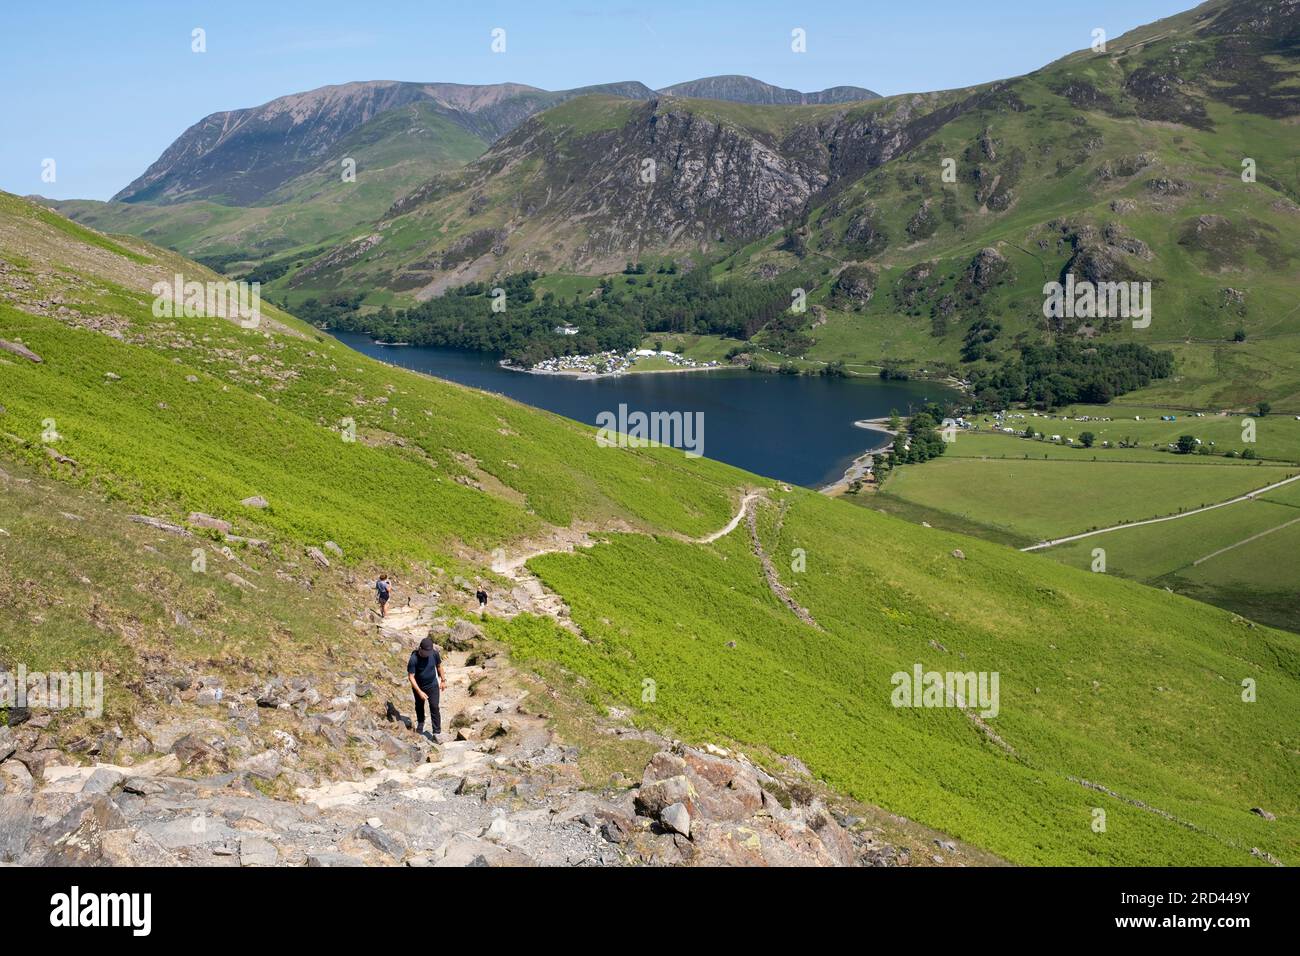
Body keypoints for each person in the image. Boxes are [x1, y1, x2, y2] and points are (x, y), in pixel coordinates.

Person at [406, 636, 445, 739]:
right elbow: (411, 677)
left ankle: (437, 732)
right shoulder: (414, 659)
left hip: (432, 685)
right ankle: (421, 722)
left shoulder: (434, 653)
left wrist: (443, 680)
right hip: (419, 686)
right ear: (420, 649)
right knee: (419, 705)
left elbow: (439, 666)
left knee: (434, 706)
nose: (429, 654)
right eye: (427, 652)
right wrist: (419, 691)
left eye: (430, 651)